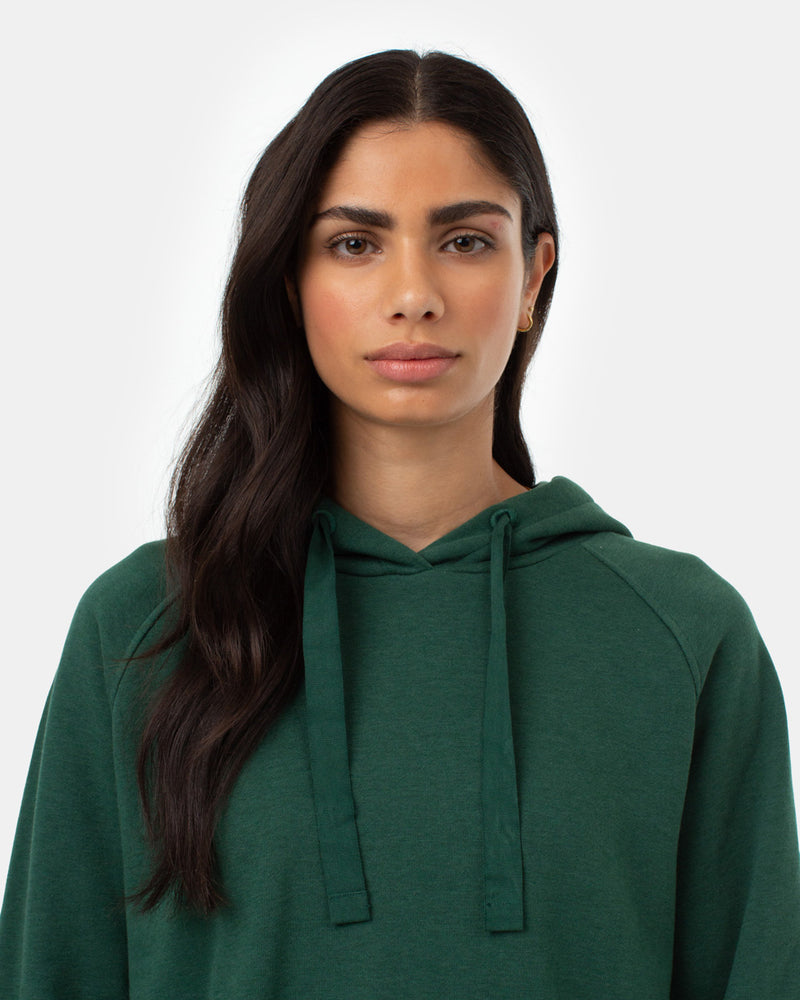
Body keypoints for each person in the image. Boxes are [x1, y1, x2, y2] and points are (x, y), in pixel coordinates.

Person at [0, 48, 798, 999]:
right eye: (355, 244)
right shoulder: (145, 625)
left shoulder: (683, 635)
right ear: (289, 281)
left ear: (534, 276)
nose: (413, 293)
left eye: (464, 240)